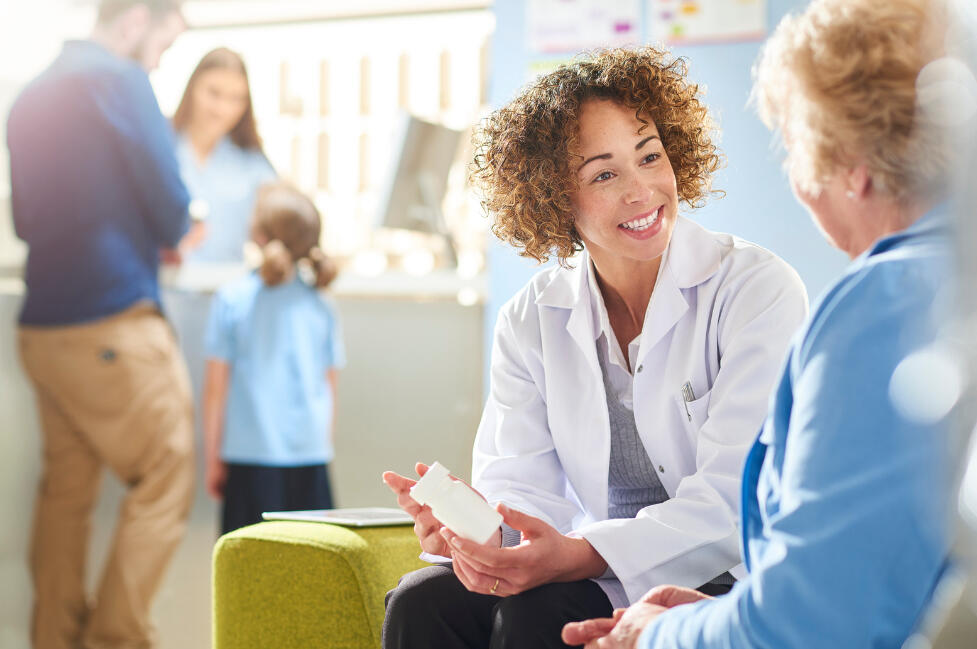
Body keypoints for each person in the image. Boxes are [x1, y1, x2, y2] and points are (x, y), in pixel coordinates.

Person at [381, 47, 808, 649]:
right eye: (604, 174)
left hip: (724, 574)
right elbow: (519, 489)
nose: (642, 191)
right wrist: (478, 534)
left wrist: (578, 555)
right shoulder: (531, 317)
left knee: (545, 611)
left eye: (651, 156)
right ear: (555, 198)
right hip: (593, 568)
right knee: (419, 603)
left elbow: (732, 501)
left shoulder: (755, 289)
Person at [561, 1, 955, 647]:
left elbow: (807, 623)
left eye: (797, 147)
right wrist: (725, 610)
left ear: (852, 168)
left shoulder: (884, 303)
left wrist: (660, 634)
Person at [6, 1, 191, 647]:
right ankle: (116, 638)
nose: (161, 61)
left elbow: (27, 220)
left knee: (68, 489)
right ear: (137, 18)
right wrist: (160, 229)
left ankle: (52, 636)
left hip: (43, 327)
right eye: (164, 44)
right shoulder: (119, 78)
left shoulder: (30, 93)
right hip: (110, 318)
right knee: (168, 469)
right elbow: (172, 209)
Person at [202, 182, 344, 535]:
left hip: (249, 460)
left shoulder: (232, 299)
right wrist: (320, 446)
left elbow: (215, 392)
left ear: (260, 236)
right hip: (311, 459)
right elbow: (330, 389)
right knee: (312, 572)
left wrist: (213, 460)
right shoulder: (322, 305)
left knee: (248, 574)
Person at [171, 47, 276, 265]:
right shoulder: (162, 147)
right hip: (166, 292)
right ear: (192, 89)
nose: (222, 109)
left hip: (226, 292)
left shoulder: (253, 164)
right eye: (213, 93)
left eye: (236, 98)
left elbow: (276, 227)